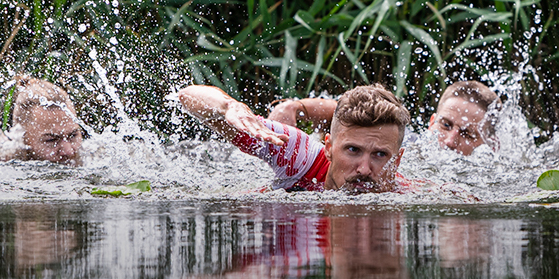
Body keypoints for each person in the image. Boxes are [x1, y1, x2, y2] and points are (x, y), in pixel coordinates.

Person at [177, 83, 415, 193]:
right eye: (352, 150)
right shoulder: (299, 155)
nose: (364, 169)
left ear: (398, 160)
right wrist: (230, 106)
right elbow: (188, 95)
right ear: (329, 147)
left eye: (380, 155)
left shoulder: (406, 192)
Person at [268, 80, 501, 156]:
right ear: (431, 122)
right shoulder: (406, 143)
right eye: (445, 125)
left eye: (467, 133)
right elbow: (349, 110)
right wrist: (295, 108)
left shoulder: (491, 175)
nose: (450, 141)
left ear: (490, 146)